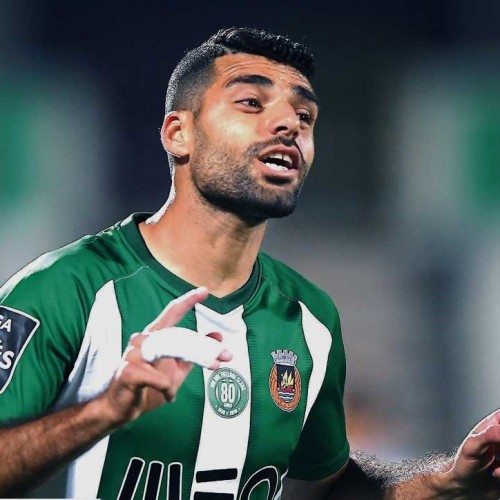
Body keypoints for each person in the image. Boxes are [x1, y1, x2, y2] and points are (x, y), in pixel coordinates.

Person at [0, 27, 499, 500]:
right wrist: (103, 412)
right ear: (179, 133)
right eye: (251, 103)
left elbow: (324, 489)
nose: (289, 125)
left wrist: (449, 482)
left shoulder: (310, 318)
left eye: (304, 116)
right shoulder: (67, 288)